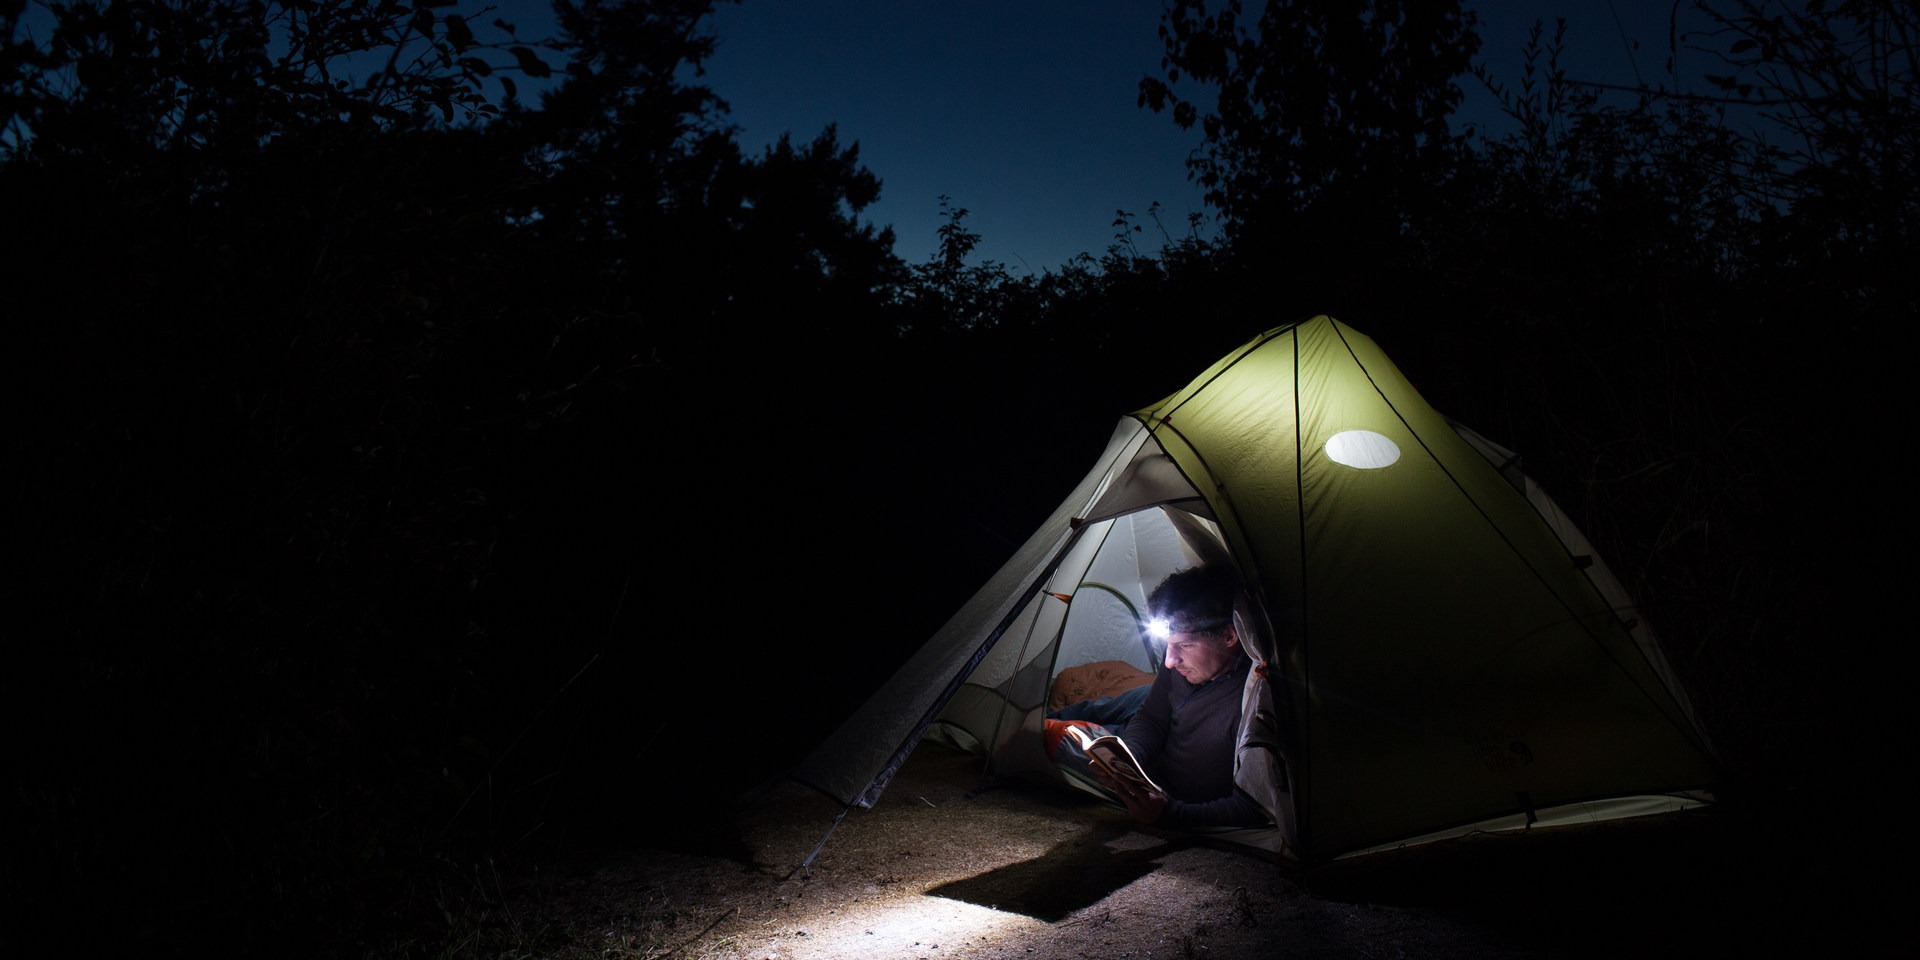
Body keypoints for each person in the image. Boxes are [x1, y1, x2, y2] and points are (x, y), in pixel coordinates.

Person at [1066, 565, 1268, 830]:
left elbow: (1254, 808)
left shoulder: (1256, 700)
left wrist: (1171, 813)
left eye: (1184, 645)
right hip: (1155, 724)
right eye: (1167, 646)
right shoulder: (1180, 663)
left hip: (1169, 768)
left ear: (1230, 636)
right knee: (1103, 707)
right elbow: (1151, 717)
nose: (1170, 661)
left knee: (1061, 740)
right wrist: (1128, 760)